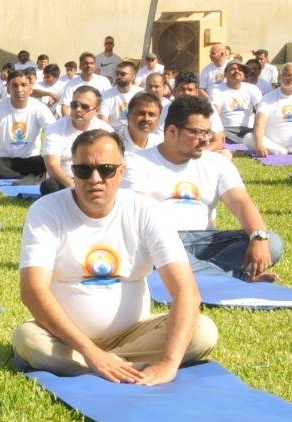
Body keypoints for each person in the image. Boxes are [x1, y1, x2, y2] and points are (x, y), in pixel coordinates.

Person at [13, 128, 218, 384]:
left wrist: (168, 364)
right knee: (29, 340)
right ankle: (111, 365)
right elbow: (33, 291)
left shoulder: (146, 210)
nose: (95, 179)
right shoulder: (46, 210)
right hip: (65, 339)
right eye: (83, 170)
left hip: (134, 334)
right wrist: (91, 351)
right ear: (72, 173)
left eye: (106, 169)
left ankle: (103, 365)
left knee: (203, 332)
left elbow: (186, 291)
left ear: (121, 172)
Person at [123, 96, 283, 281]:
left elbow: (240, 202)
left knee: (273, 243)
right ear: (172, 131)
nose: (205, 140)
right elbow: (141, 214)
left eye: (208, 133)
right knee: (150, 251)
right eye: (198, 133)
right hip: (159, 240)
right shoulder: (137, 162)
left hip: (205, 240)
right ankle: (234, 278)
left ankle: (197, 272)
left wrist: (258, 237)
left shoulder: (216, 163)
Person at [0, 71, 56, 182]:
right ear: (8, 89)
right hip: (2, 161)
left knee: (47, 159)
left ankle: (12, 176)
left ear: (30, 88)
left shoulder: (40, 108)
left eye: (23, 85)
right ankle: (21, 178)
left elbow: (54, 132)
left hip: (30, 161)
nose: (19, 89)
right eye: (14, 86)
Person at [39, 85, 110, 194]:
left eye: (84, 107)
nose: (78, 109)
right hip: (65, 182)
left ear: (97, 110)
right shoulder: (55, 128)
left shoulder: (106, 131)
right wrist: (76, 187)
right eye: (74, 105)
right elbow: (52, 166)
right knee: (49, 186)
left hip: (94, 180)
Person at [248, 62, 292, 157]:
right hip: (273, 144)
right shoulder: (267, 98)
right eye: (288, 75)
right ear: (280, 77)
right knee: (249, 138)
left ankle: (287, 152)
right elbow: (259, 124)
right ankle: (282, 152)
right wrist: (259, 145)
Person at [209, 60, 262, 143]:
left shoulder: (252, 88)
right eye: (233, 69)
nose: (237, 71)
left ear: (244, 75)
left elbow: (261, 110)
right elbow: (215, 112)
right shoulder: (217, 89)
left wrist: (258, 130)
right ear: (225, 74)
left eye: (240, 69)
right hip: (226, 129)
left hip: (248, 129)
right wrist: (218, 132)